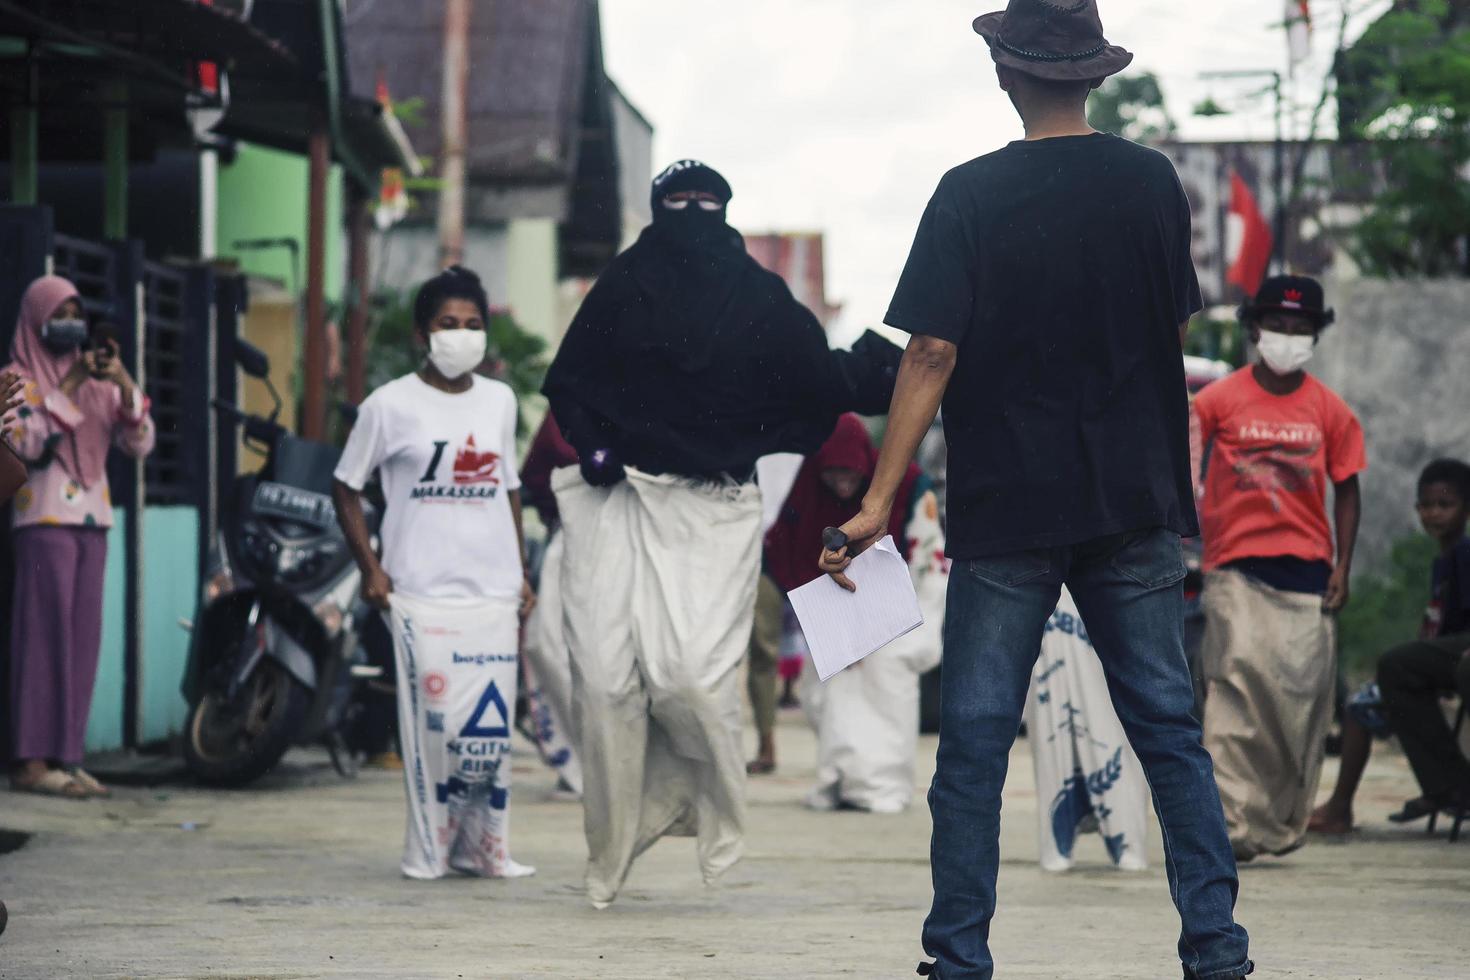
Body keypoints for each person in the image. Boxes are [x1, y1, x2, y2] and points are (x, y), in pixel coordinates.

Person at [818, 3, 1252, 977]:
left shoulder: (967, 194)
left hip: (1007, 508)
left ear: (1005, 73)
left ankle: (959, 957)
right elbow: (1167, 335)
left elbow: (931, 349)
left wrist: (878, 498)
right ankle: (1217, 951)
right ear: (1094, 75)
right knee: (1170, 736)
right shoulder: (1151, 183)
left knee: (972, 749)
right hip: (1131, 501)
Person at [543, 159, 901, 908]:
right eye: (680, 201)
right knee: (604, 680)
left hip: (716, 507)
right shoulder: (623, 287)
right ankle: (610, 848)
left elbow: (818, 376)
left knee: (692, 681)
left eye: (709, 201)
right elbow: (570, 384)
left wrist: (912, 363)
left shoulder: (756, 297)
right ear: (656, 209)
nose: (695, 212)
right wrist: (594, 443)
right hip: (622, 503)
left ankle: (695, 811)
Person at [333, 266, 536, 880]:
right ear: (425, 331)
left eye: (473, 325)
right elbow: (346, 487)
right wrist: (371, 568)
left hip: (493, 595)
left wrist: (522, 572)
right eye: (449, 324)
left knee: (489, 736)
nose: (462, 335)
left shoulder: (499, 401)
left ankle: (485, 848)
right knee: (435, 730)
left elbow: (509, 488)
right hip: (420, 594)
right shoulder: (388, 405)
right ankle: (430, 849)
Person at [1192, 274, 1365, 863]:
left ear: (1315, 335)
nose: (1287, 337)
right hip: (1236, 568)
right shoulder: (1217, 401)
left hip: (1308, 575)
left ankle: (1273, 823)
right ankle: (1230, 826)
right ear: (1254, 328)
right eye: (1277, 326)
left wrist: (1343, 563)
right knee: (1235, 692)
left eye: (1300, 329)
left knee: (1296, 710)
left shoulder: (1330, 410)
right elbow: (1187, 464)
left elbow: (1347, 488)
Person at [4, 276, 155, 799]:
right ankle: (30, 761)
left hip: (95, 519)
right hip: (43, 520)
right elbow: (22, 439)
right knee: (43, 640)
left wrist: (125, 382)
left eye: (76, 311)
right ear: (35, 317)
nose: (69, 321)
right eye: (59, 311)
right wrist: (63, 393)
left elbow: (139, 442)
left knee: (82, 642)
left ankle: (67, 757)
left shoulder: (95, 379)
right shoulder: (15, 378)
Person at [764, 414, 945, 811]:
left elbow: (923, 554)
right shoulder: (808, 491)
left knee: (885, 698)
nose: (843, 484)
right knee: (830, 699)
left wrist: (872, 627)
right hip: (830, 616)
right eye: (834, 475)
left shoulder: (908, 485)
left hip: (892, 613)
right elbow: (785, 550)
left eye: (851, 475)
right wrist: (834, 627)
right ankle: (836, 780)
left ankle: (882, 788)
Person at [1310, 459, 1470, 832]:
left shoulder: (1465, 554)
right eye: (1426, 505)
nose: (1434, 514)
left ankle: (1452, 786)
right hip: (1445, 655)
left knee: (1397, 665)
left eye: (1444, 505)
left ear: (1466, 509)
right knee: (1362, 704)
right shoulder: (1443, 560)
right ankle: (1341, 806)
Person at [1024, 588, 1151, 873]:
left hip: (1110, 575)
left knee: (1115, 720)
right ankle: (1058, 841)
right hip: (1042, 581)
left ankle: (1127, 837)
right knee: (1052, 723)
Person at [517, 411, 584, 798]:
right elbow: (537, 471)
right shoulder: (576, 382)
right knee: (545, 643)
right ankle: (577, 760)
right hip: (573, 529)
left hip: (646, 530)